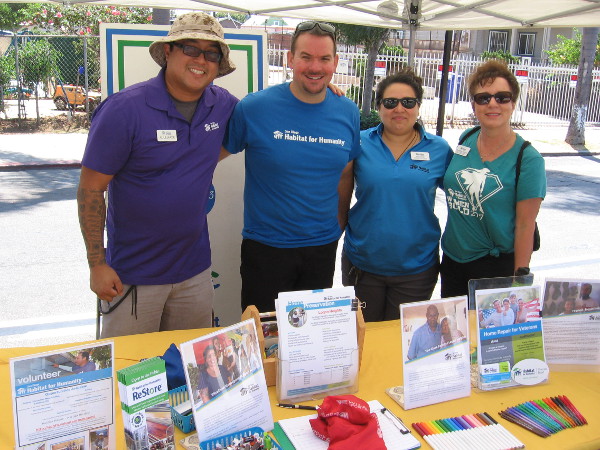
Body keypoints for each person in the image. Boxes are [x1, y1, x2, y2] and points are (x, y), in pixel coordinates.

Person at [77, 13, 238, 338]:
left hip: (195, 274)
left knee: (188, 366)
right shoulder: (123, 110)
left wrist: (320, 91)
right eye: (190, 48)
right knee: (132, 366)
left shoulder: (223, 105)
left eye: (211, 54)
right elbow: (91, 190)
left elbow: (267, 114)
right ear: (168, 51)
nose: (201, 60)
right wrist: (97, 264)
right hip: (133, 277)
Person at [222, 21, 361, 313]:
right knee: (263, 335)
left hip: (321, 249)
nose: (315, 67)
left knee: (310, 337)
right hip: (267, 249)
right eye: (306, 57)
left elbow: (346, 172)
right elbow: (205, 158)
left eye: (324, 58)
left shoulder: (348, 111)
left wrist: (339, 223)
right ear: (290, 59)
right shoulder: (254, 108)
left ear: (335, 62)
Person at [339, 69, 453, 322]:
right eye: (390, 102)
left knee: (403, 341)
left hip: (417, 268)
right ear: (379, 106)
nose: (399, 109)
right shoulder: (359, 143)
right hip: (362, 264)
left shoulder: (439, 149)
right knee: (364, 337)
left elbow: (460, 195)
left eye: (408, 102)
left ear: (418, 106)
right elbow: (337, 186)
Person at [440, 60, 546, 297]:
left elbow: (525, 225)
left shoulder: (528, 159)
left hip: (494, 269)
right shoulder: (467, 137)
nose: (492, 104)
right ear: (474, 105)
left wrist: (521, 279)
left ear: (513, 103)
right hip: (452, 261)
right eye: (483, 98)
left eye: (502, 97)